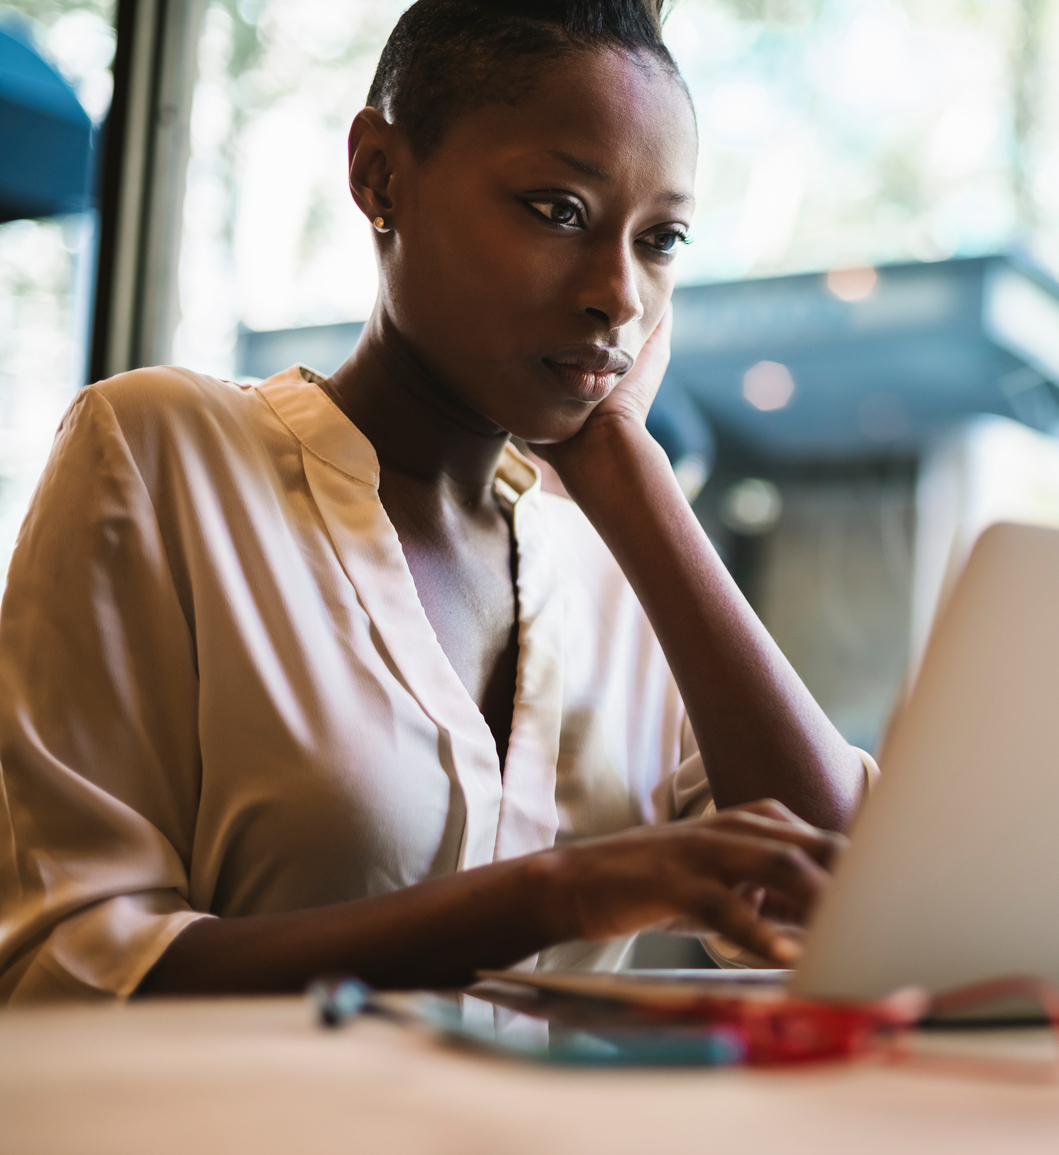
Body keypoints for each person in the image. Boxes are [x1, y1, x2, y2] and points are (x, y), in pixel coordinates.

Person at [0, 0, 875, 1002]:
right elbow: (59, 971)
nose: (621, 295)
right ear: (379, 174)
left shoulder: (611, 571)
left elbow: (843, 901)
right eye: (559, 209)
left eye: (661, 238)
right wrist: (556, 894)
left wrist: (629, 481)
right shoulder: (164, 452)